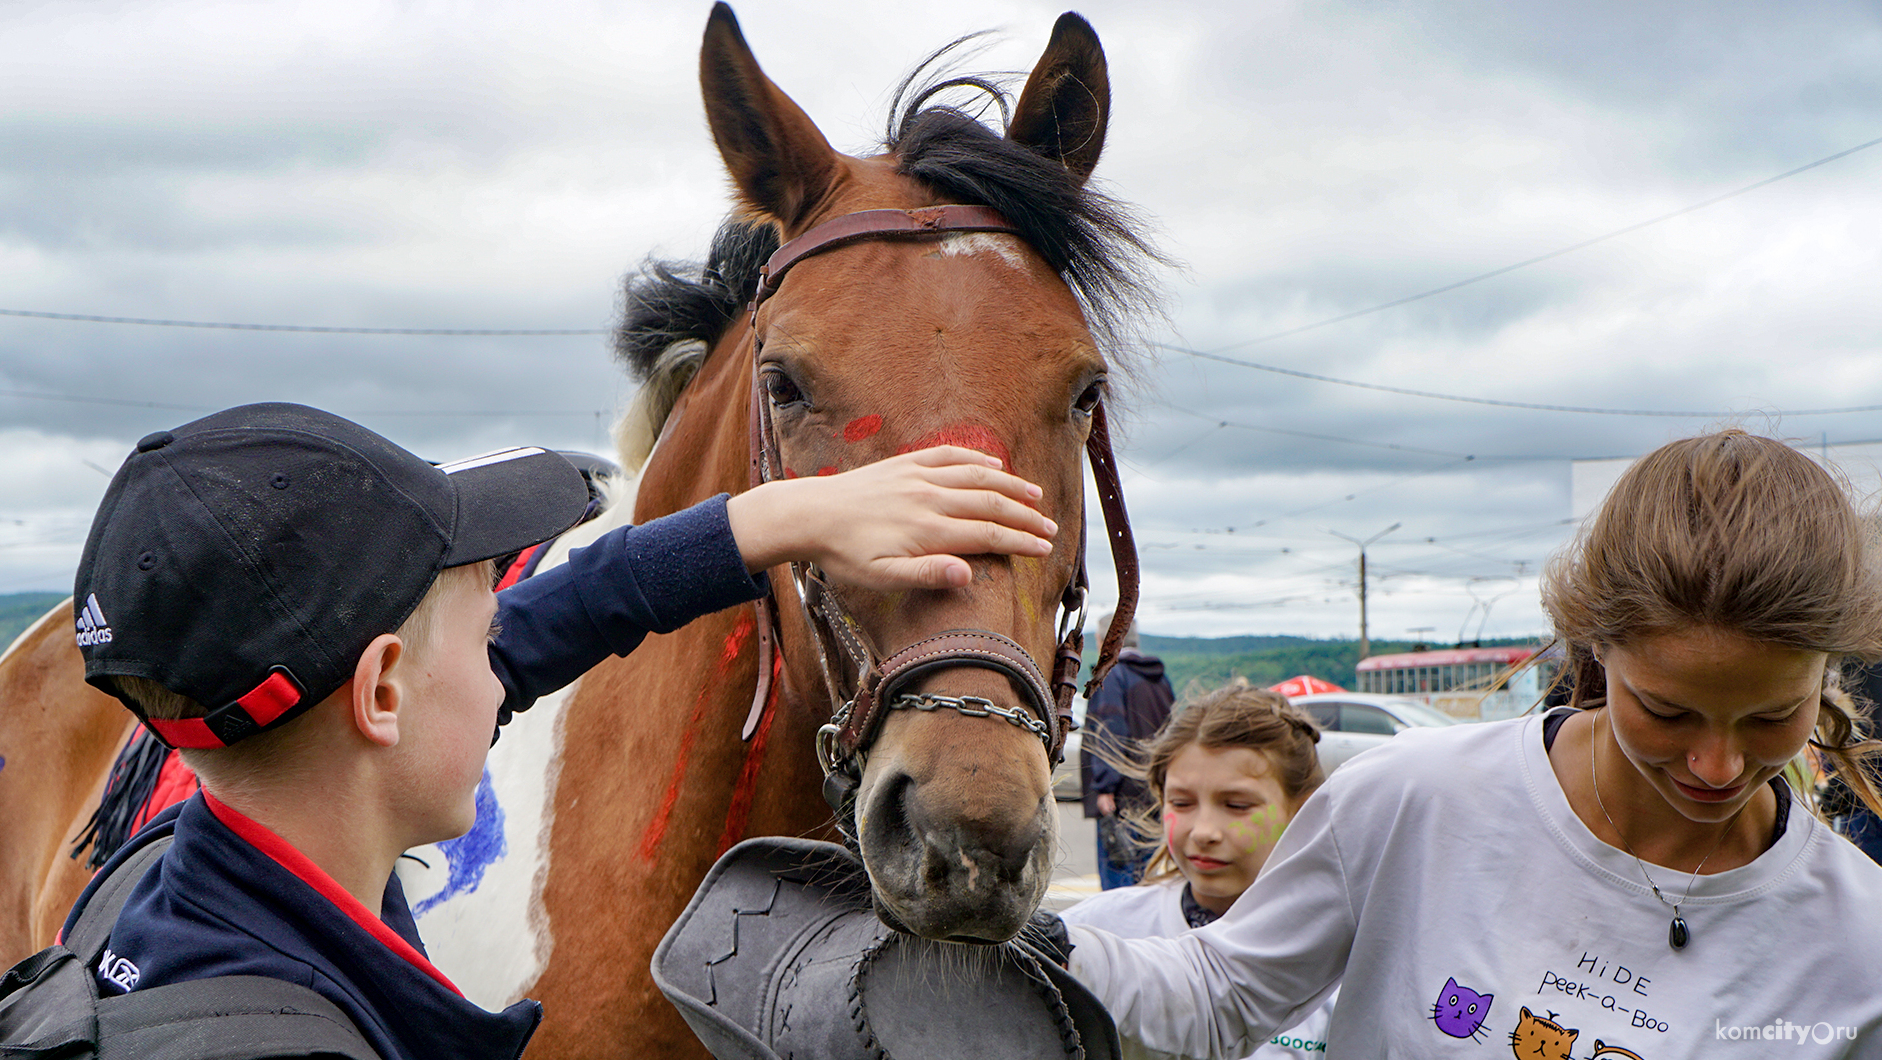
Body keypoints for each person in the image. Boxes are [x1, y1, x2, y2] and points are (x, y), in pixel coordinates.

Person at [63, 402, 1056, 1060]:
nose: (507, 662)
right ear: (381, 695)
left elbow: (561, 619)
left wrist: (762, 522)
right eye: (488, 625)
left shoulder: (164, 872)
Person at [1063, 430, 1882, 1058]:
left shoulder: (1859, 938)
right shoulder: (1414, 800)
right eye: (1666, 712)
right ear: (1596, 648)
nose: (1718, 765)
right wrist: (1017, 939)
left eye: (1773, 715)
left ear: (1829, 675)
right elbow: (1217, 997)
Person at [1060, 684, 1339, 1059]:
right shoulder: (1091, 932)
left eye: (1237, 805)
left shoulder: (1338, 963)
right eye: (1182, 802)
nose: (1204, 831)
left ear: (1303, 810)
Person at [1081, 617, 1176, 889]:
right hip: (1155, 792)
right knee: (1148, 877)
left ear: (1104, 641)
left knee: (1119, 877)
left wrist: (1104, 786)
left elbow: (1110, 732)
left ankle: (1118, 932)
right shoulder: (1159, 680)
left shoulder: (1112, 676)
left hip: (1121, 797)